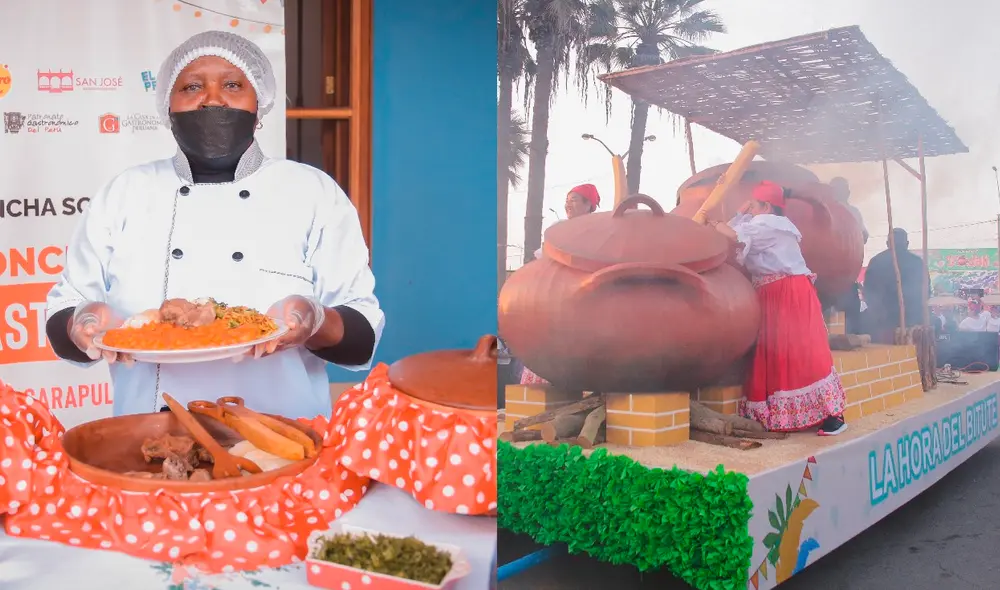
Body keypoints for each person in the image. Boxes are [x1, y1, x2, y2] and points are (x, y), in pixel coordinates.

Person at [44, 31, 384, 420]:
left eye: (233, 85)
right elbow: (65, 308)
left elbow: (361, 337)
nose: (212, 99)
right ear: (167, 108)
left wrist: (315, 319)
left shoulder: (311, 191)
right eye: (191, 86)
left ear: (260, 105)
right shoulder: (125, 192)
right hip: (148, 429)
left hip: (282, 431)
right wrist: (83, 323)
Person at [711, 181, 847, 435]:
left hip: (789, 291)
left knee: (803, 349)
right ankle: (782, 415)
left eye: (753, 203)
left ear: (767, 205)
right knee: (775, 353)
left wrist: (714, 224)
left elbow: (730, 233)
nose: (750, 207)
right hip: (771, 292)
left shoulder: (771, 225)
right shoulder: (760, 224)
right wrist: (740, 213)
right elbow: (737, 229)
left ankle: (834, 415)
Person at [522, 183, 602, 385]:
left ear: (589, 204)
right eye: (567, 200)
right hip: (556, 297)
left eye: (574, 200)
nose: (568, 205)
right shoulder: (557, 230)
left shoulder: (598, 230)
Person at [862, 228, 930, 343]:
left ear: (887, 243)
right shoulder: (918, 262)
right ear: (907, 244)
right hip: (912, 323)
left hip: (885, 323)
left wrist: (879, 314)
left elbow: (868, 293)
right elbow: (926, 293)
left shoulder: (876, 261)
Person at [829, 177, 868, 335]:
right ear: (848, 193)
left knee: (828, 314)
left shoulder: (822, 209)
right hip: (846, 272)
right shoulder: (853, 212)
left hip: (828, 274)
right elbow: (864, 236)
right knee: (850, 314)